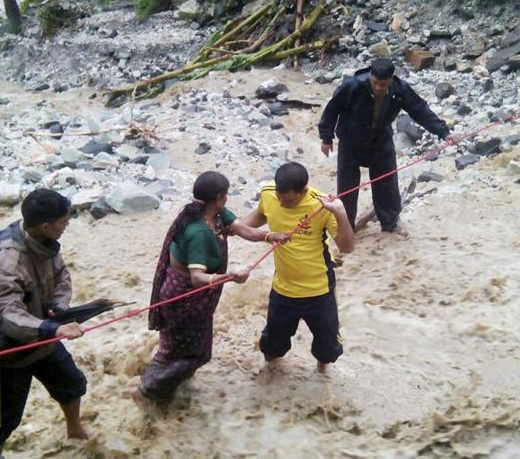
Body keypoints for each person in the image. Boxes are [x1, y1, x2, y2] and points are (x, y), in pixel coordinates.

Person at [135, 171, 288, 405]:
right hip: (184, 298)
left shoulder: (213, 214)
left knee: (178, 347)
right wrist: (230, 276)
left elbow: (243, 229)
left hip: (192, 300)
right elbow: (197, 278)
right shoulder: (198, 232)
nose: (226, 199)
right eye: (225, 195)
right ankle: (149, 389)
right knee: (195, 353)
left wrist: (269, 236)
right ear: (218, 198)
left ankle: (168, 388)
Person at [0, 189, 88, 459]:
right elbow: (5, 314)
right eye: (63, 221)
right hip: (9, 350)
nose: (66, 225)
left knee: (72, 383)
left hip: (44, 336)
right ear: (45, 225)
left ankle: (74, 429)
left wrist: (59, 308)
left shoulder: (46, 243)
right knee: (0, 421)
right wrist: (52, 329)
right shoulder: (5, 262)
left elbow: (62, 276)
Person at [242, 162, 355, 373]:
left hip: (319, 291)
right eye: (281, 199)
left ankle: (322, 376)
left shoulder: (322, 205)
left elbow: (348, 247)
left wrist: (340, 212)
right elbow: (260, 215)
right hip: (283, 290)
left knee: (328, 351)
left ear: (304, 191)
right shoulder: (268, 194)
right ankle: (269, 378)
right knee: (271, 347)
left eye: (290, 201)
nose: (283, 205)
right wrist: (234, 228)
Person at [318, 57, 453, 232]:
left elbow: (419, 110)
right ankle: (345, 227)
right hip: (350, 141)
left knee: (387, 184)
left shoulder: (400, 89)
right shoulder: (352, 86)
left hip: (380, 140)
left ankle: (390, 224)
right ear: (370, 77)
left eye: (383, 84)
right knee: (347, 187)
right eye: (375, 83)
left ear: (391, 79)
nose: (379, 88)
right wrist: (326, 138)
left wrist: (444, 132)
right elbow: (332, 109)